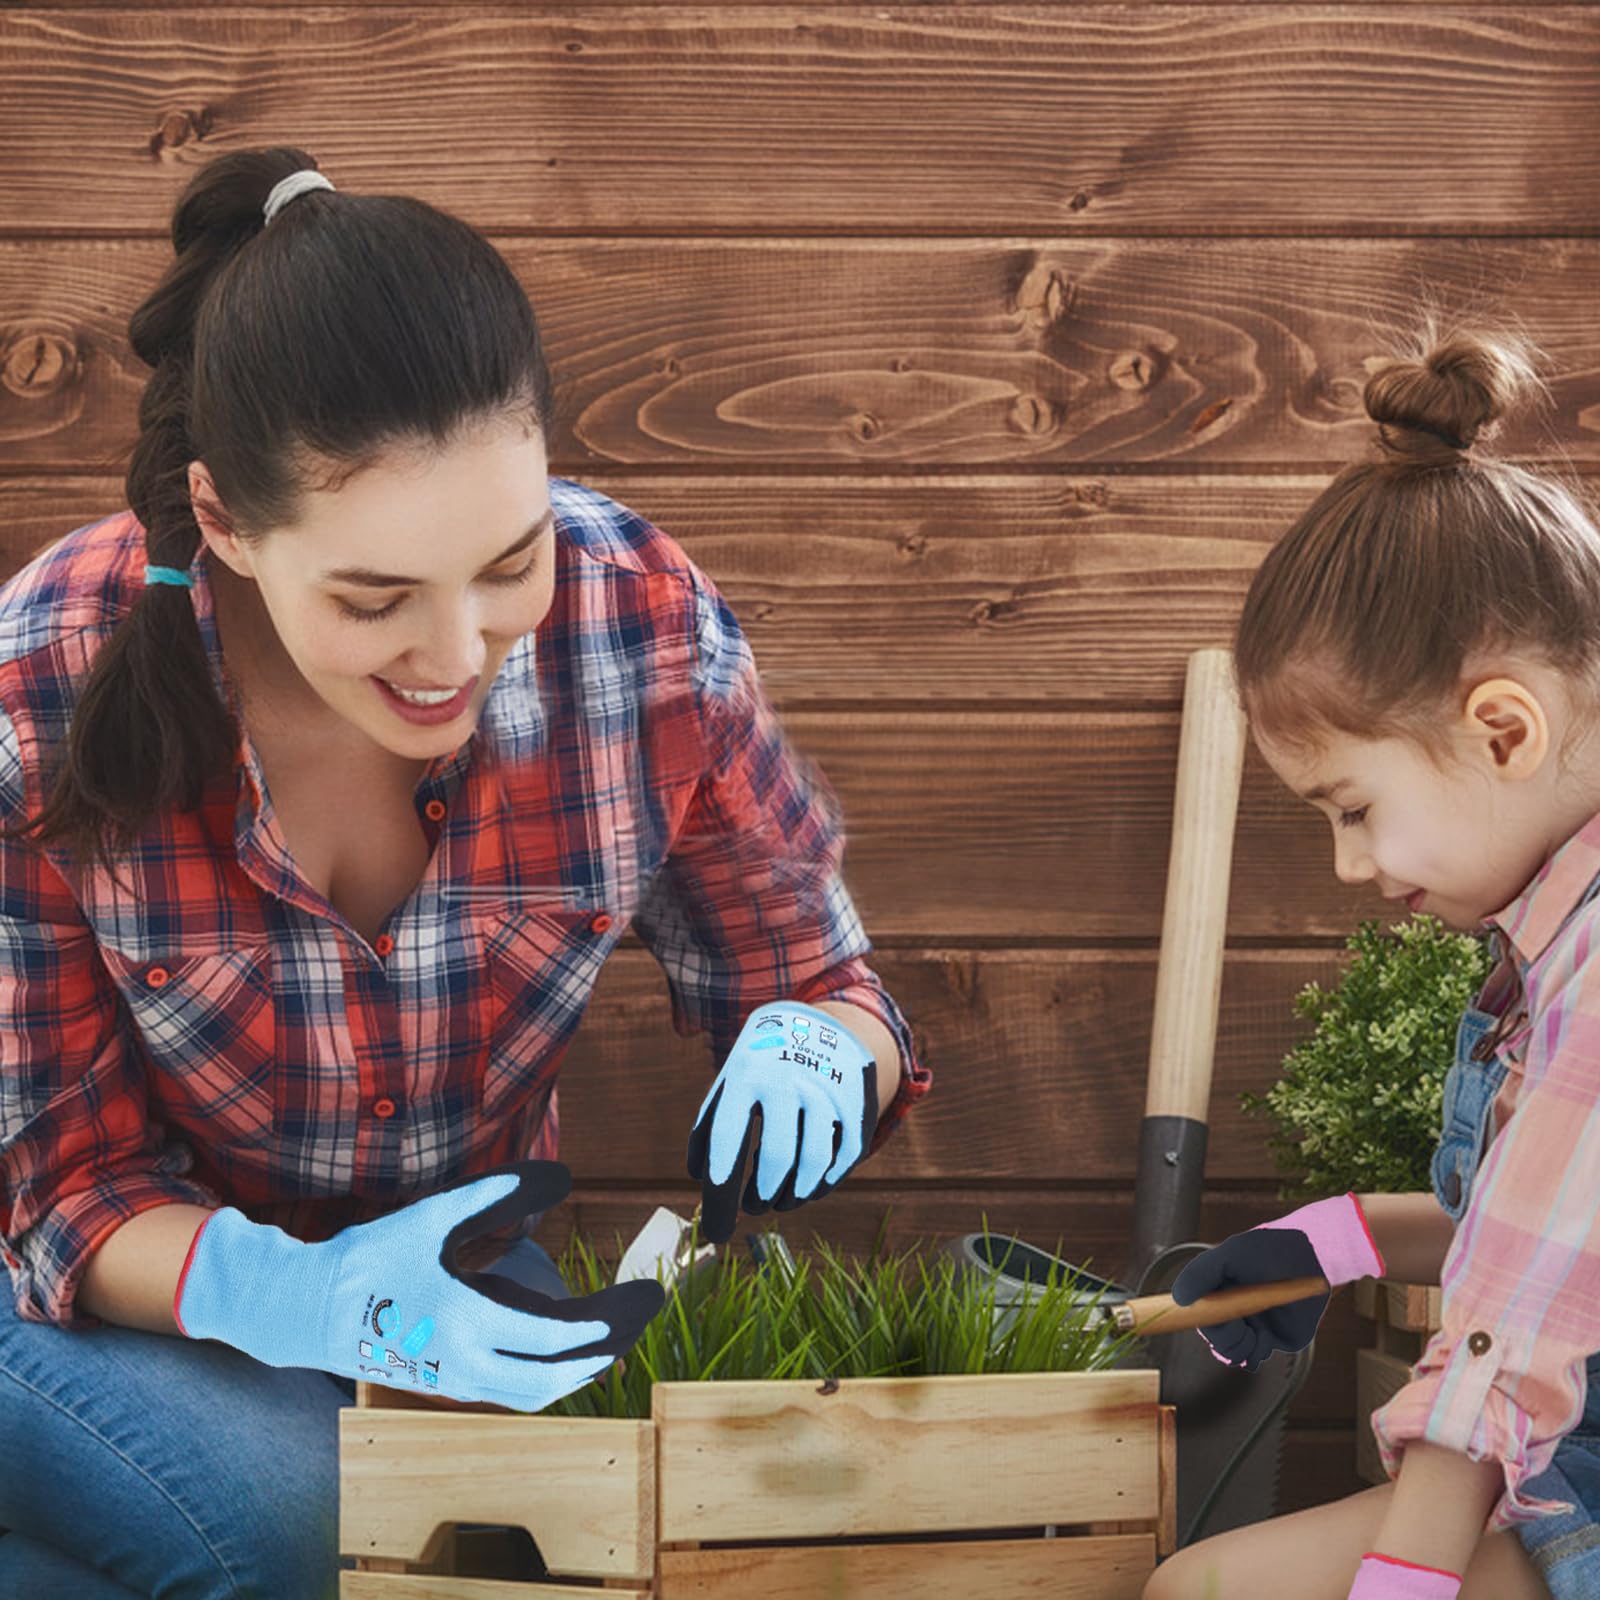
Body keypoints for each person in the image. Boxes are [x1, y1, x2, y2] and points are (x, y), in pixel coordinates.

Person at [0, 147, 931, 1598]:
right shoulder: (42, 678)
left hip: (452, 1271)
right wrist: (294, 1295)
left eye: (508, 565)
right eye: (374, 598)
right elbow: (63, 1192)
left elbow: (819, 980)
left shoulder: (638, 620)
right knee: (314, 1528)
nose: (455, 657)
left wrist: (825, 1044)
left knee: (526, 1544)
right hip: (100, 1299)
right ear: (226, 522)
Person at [1141, 326, 1600, 1600]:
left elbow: (1517, 1323)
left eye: (1351, 807)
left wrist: (1408, 1575)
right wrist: (1325, 1240)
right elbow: (1543, 1239)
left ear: (1501, 730)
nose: (1347, 863)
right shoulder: (1554, 941)